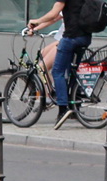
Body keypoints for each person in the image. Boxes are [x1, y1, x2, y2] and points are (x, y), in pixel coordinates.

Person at [29, 0, 92, 129]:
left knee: (56, 72)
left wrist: (36, 20)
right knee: (70, 72)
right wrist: (37, 26)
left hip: (70, 38)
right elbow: (57, 16)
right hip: (85, 38)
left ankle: (62, 109)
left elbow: (53, 14)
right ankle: (74, 106)